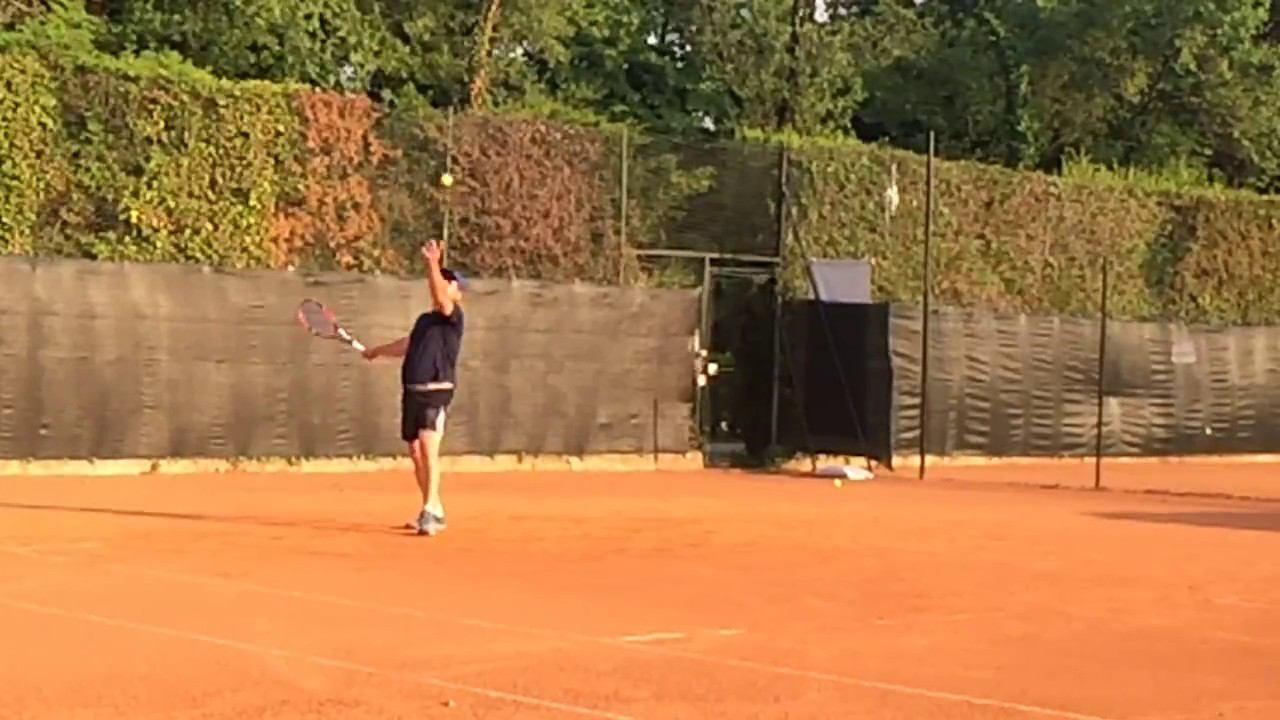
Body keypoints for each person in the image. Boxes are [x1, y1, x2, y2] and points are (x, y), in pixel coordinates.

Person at [363, 240, 465, 536]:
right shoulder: (424, 321)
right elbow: (408, 344)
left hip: (436, 390)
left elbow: (439, 294)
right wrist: (378, 351)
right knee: (416, 451)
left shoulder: (452, 316)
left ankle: (430, 511)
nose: (442, 285)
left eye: (449, 282)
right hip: (412, 391)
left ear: (457, 292)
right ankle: (434, 506)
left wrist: (432, 263)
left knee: (429, 448)